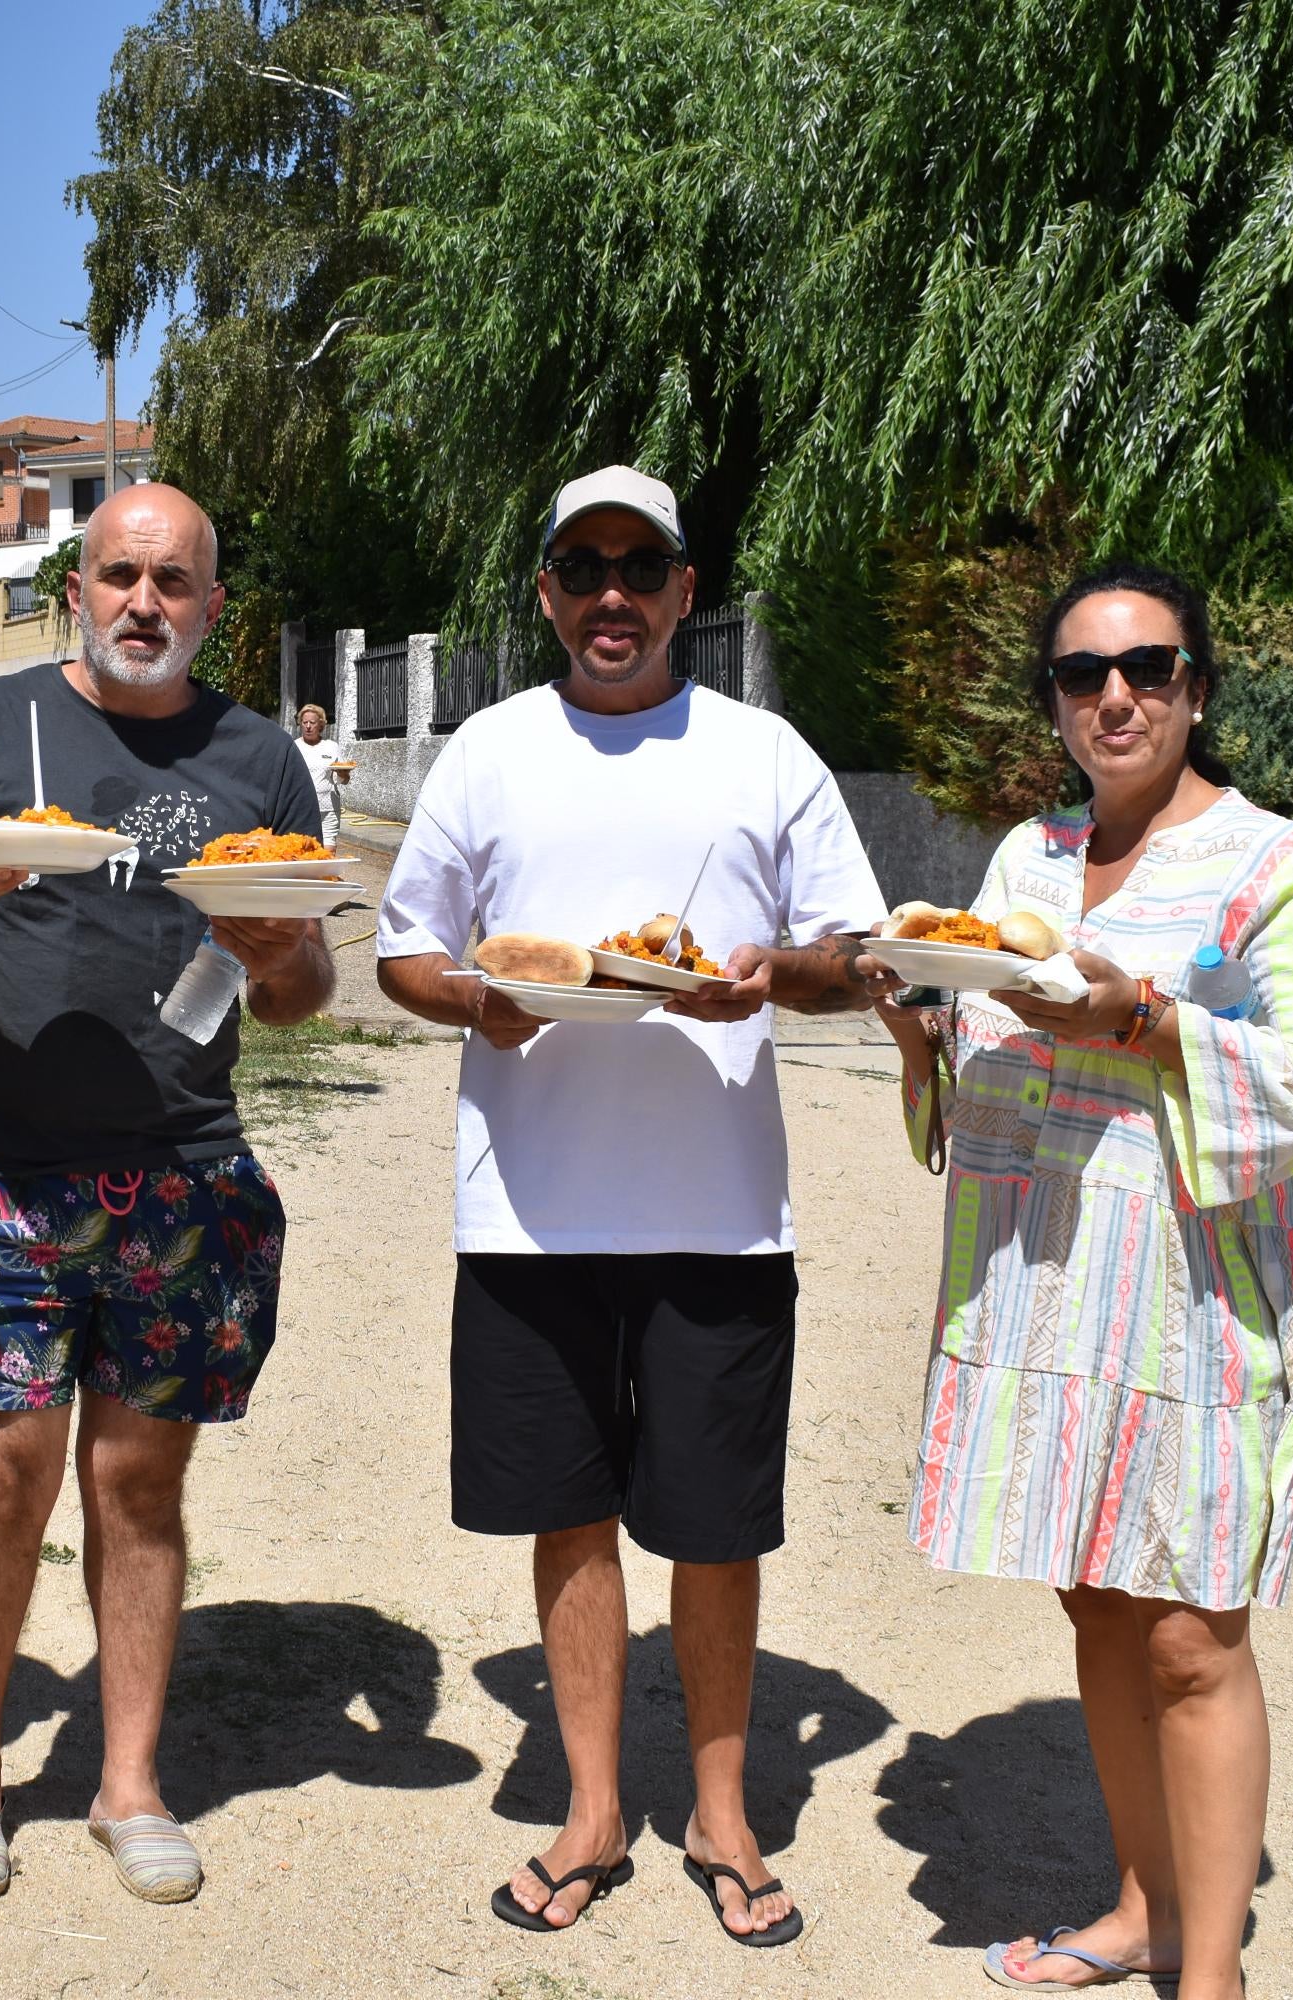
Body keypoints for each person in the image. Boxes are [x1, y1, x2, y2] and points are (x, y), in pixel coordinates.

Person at [374, 466, 886, 1947]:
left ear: (681, 591)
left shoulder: (762, 752)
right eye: (582, 569)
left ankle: (722, 1813)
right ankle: (593, 1808)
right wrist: (482, 1000)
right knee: (570, 1510)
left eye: (639, 570)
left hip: (720, 1209)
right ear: (545, 591)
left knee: (717, 1523)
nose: (612, 596)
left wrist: (769, 976)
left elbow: (859, 955)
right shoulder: (487, 751)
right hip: (529, 1211)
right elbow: (409, 953)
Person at [865, 564, 1293, 1999]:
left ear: (1198, 686)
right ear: (1059, 703)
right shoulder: (1025, 856)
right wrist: (919, 1030)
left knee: (1196, 1632)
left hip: (1192, 1303)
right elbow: (988, 1056)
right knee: (1095, 1597)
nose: (1117, 697)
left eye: (1147, 667)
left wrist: (1142, 1015)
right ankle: (1140, 1907)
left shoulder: (1271, 862)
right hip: (1046, 1289)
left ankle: (1212, 1974)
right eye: (1084, 676)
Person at [0, 483, 334, 1906]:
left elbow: (309, 991)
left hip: (184, 1171)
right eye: (121, 574)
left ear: (210, 605)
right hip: (0, 1165)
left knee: (139, 1483)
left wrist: (268, 949)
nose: (145, 602)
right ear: (79, 587)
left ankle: (129, 1780)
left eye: (174, 581)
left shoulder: (259, 759)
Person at [292, 702, 346, 846]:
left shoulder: (331, 747)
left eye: (312, 722)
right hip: (303, 809)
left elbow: (342, 780)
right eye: (305, 722)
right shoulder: (294, 747)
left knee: (328, 853)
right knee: (305, 852)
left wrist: (343, 774)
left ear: (320, 725)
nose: (308, 726)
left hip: (328, 809)